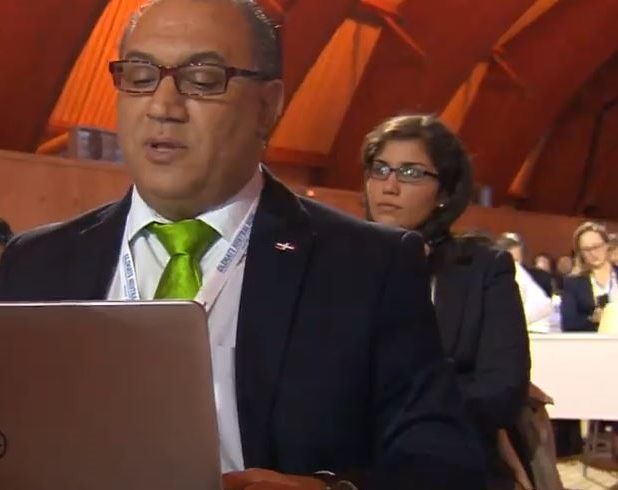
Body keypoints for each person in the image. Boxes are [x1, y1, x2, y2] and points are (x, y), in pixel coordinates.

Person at [0, 1, 484, 489]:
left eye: (202, 80)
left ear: (267, 107)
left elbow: (443, 462)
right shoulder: (34, 264)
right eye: (140, 76)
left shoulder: (368, 267)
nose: (162, 107)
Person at [362, 114, 530, 489]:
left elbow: (503, 389)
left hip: (452, 461)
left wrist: (407, 416)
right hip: (351, 461)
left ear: (444, 193)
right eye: (380, 169)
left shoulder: (484, 269)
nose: (389, 185)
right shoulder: (337, 263)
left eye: (410, 173)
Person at [561, 221, 618, 332]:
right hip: (593, 339)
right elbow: (568, 323)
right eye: (586, 250)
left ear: (606, 245)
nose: (593, 253)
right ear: (580, 253)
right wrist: (592, 319)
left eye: (596, 247)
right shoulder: (573, 283)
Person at [495, 233, 553, 333]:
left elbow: (544, 306)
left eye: (517, 261)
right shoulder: (492, 278)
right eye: (512, 261)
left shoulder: (527, 277)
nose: (516, 265)